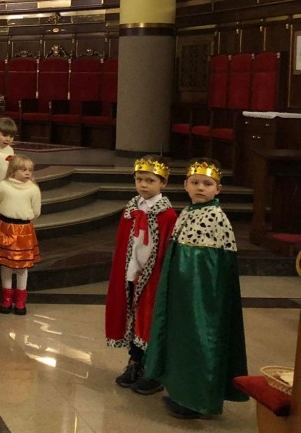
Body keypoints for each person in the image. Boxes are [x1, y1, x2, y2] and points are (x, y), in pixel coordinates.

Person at [143, 159, 248, 419]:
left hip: (200, 299)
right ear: (185, 185)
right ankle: (182, 391)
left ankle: (196, 400)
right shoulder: (189, 212)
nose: (200, 188)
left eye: (207, 184)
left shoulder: (215, 218)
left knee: (199, 339)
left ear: (218, 189)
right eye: (195, 182)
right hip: (183, 293)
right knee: (182, 339)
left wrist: (196, 298)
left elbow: (210, 269)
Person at [105, 156, 177, 394]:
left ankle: (152, 370)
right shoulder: (132, 208)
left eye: (150, 180)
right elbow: (125, 243)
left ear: (163, 183)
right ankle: (134, 362)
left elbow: (165, 249)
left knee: (149, 322)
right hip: (131, 274)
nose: (143, 185)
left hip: (152, 278)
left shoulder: (167, 214)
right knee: (133, 320)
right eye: (139, 179)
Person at [0, 154, 41, 315]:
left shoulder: (33, 189)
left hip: (24, 230)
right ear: (12, 171)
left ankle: (20, 300)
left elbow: (36, 211)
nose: (27, 173)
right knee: (6, 265)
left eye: (30, 170)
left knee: (22, 267)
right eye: (23, 169)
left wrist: (24, 220)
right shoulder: (3, 186)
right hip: (6, 227)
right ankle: (6, 298)